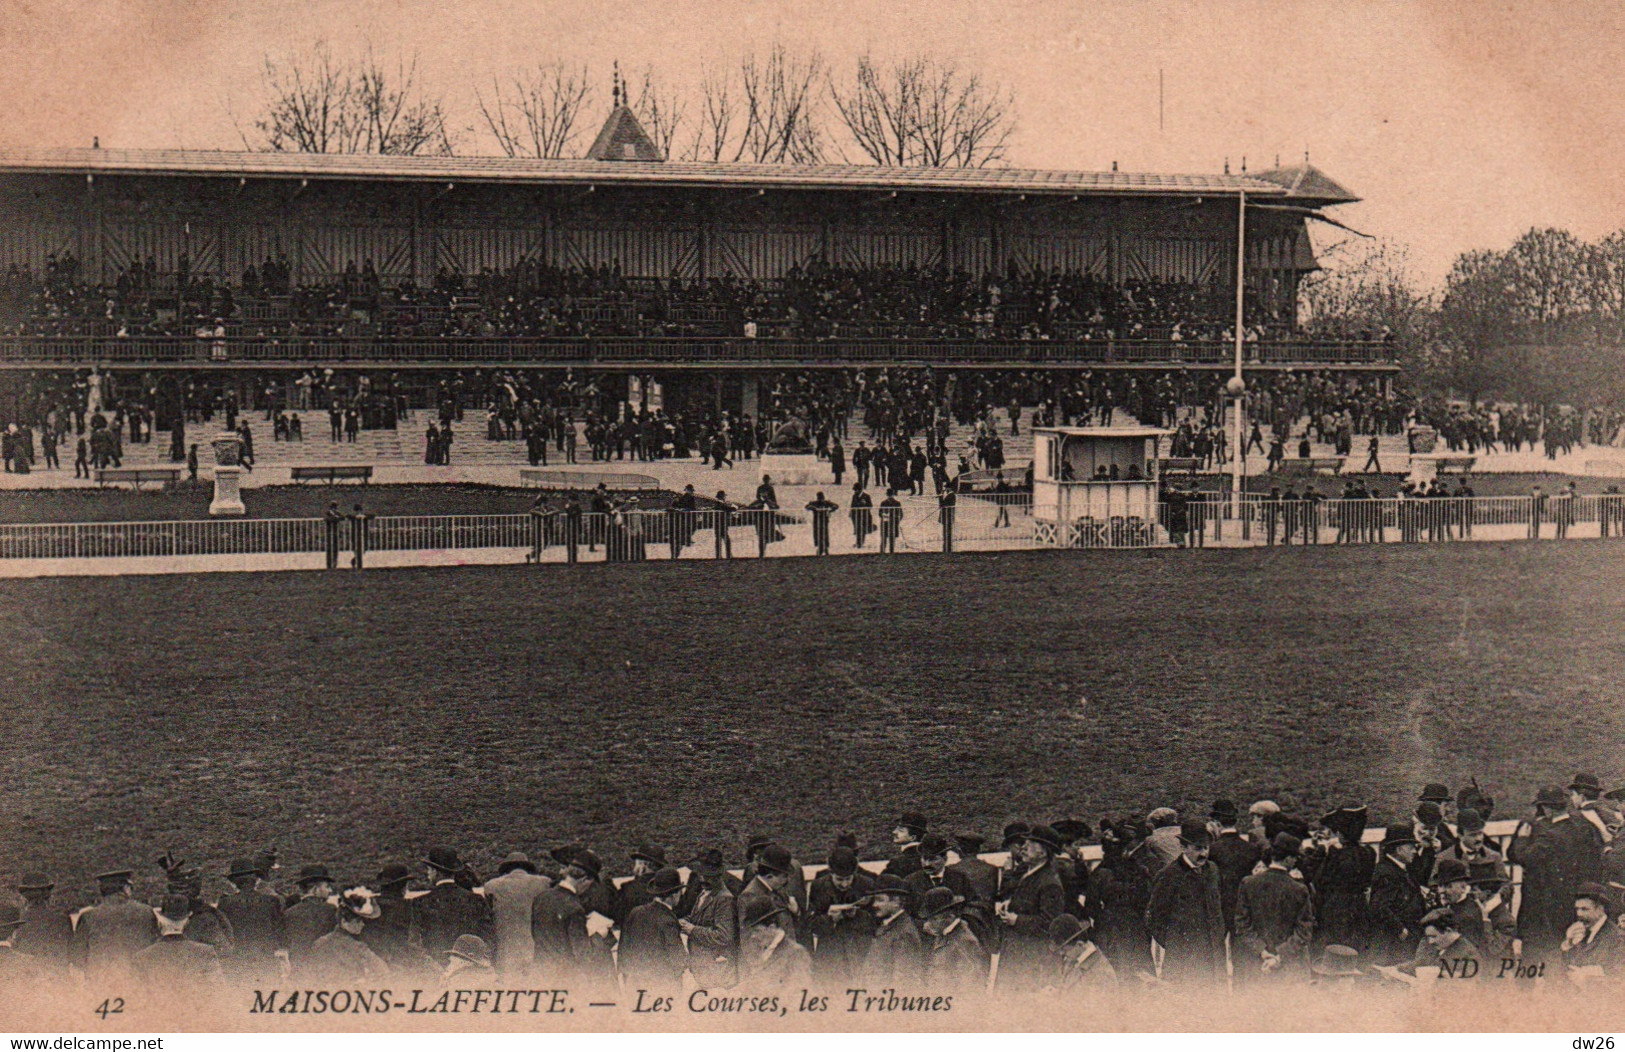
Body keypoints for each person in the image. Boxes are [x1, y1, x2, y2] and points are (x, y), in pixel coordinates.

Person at [1144, 818, 1226, 984]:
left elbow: (1219, 908)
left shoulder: (1213, 871)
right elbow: (1154, 918)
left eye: (1206, 848)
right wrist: (1176, 945)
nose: (1203, 853)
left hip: (1214, 961)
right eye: (1197, 848)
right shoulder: (1169, 876)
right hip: (1183, 962)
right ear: (1183, 847)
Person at [1234, 833, 1315, 983]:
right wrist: (1279, 956)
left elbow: (1241, 925)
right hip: (1289, 969)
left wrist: (1262, 951)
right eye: (1296, 857)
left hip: (1256, 966)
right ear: (1289, 859)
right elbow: (1304, 932)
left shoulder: (1248, 883)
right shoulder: (1299, 889)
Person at [995, 825, 1068, 990]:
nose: (1024, 847)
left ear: (1043, 852)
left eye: (1031, 843)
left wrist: (1017, 920)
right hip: (1017, 955)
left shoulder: (1050, 882)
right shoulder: (1030, 873)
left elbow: (1050, 924)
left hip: (1032, 960)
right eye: (1025, 842)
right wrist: (1010, 905)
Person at [72, 868, 157, 984]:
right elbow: (155, 950)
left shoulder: (88, 916)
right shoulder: (146, 912)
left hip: (101, 986)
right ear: (125, 888)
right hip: (138, 984)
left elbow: (77, 959)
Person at [807, 846, 876, 985]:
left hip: (859, 953)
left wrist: (857, 915)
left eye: (848, 879)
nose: (844, 884)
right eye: (839, 879)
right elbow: (810, 924)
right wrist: (830, 919)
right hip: (830, 956)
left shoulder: (867, 884)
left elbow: (876, 922)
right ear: (830, 872)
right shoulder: (818, 886)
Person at [413, 847, 492, 966]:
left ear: (435, 871)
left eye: (429, 869)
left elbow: (414, 943)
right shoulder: (476, 900)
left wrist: (434, 968)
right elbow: (487, 936)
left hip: (435, 972)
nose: (428, 874)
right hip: (468, 969)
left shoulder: (420, 902)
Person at [482, 851, 552, 981]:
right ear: (527, 868)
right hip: (536, 951)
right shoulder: (544, 883)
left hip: (505, 953)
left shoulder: (491, 886)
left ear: (506, 869)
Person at [215, 857, 286, 986]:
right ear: (255, 880)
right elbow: (281, 933)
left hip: (238, 964)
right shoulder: (271, 901)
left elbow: (224, 933)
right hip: (267, 962)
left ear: (235, 882)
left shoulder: (225, 903)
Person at [131, 895, 224, 993]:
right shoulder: (205, 953)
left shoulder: (142, 958)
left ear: (160, 922)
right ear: (187, 921)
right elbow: (218, 993)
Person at [618, 867, 688, 993]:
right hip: (662, 988)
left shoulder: (636, 912)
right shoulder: (668, 920)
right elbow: (679, 961)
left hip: (635, 984)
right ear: (673, 895)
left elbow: (623, 948)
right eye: (679, 892)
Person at [678, 849, 739, 990]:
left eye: (708, 876)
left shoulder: (724, 899)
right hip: (703, 967)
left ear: (718, 877)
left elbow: (723, 936)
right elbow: (698, 918)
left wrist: (692, 930)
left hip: (717, 970)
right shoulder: (704, 893)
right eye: (702, 875)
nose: (702, 879)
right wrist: (683, 921)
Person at [1368, 823, 1427, 966]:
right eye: (1411, 847)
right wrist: (1401, 930)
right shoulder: (1387, 872)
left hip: (1401, 942)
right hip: (1392, 945)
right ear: (1399, 849)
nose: (1415, 851)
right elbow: (1379, 906)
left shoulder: (1398, 869)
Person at [308, 888, 391, 983]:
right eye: (358, 921)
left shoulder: (319, 943)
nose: (363, 924)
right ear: (344, 922)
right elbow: (383, 971)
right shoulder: (358, 948)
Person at [918, 886, 988, 992]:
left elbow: (969, 987)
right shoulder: (944, 933)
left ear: (949, 917)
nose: (928, 924)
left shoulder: (964, 942)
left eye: (933, 919)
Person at [861, 875, 924, 984]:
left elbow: (904, 981)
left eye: (880, 900)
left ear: (896, 902)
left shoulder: (904, 933)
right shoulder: (888, 925)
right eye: (874, 900)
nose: (874, 905)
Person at [12, 873, 73, 979]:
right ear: (48, 894)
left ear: (24, 896)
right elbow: (73, 952)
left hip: (28, 979)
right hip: (58, 978)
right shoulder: (62, 918)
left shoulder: (17, 920)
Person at [1562, 883, 1622, 981]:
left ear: (1600, 909)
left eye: (1584, 909)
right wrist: (1568, 943)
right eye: (1577, 909)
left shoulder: (1618, 938)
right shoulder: (1582, 933)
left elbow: (1618, 980)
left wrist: (1586, 978)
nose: (1578, 914)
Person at [1047, 914, 1117, 991]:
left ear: (1079, 944)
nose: (1061, 953)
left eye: (1064, 949)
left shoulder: (1102, 974)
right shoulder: (1073, 959)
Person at [805, 491, 838, 556]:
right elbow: (807, 506)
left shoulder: (827, 503)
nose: (821, 500)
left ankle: (825, 548)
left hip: (824, 521)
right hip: (817, 521)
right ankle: (820, 548)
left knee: (824, 534)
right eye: (820, 498)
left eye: (822, 498)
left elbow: (836, 506)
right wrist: (813, 508)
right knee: (818, 534)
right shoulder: (814, 503)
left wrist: (830, 510)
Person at [878, 489, 903, 554]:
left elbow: (900, 514)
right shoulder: (883, 503)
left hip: (893, 523)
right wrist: (884, 516)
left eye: (891, 495)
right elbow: (880, 513)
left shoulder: (897, 503)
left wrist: (896, 520)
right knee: (884, 538)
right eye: (889, 495)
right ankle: (882, 551)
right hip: (885, 523)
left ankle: (891, 551)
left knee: (892, 538)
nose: (890, 497)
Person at [348, 503, 373, 569]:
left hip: (363, 534)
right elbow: (348, 516)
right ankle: (356, 561)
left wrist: (364, 516)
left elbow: (372, 516)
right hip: (355, 534)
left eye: (359, 510)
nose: (358, 512)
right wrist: (356, 517)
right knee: (356, 548)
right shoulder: (353, 517)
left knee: (364, 548)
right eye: (357, 511)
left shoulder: (364, 516)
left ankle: (355, 560)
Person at [849, 483, 874, 549]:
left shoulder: (867, 496)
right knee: (857, 529)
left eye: (856, 490)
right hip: (856, 515)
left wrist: (864, 504)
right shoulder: (854, 496)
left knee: (862, 530)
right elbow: (852, 505)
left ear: (859, 490)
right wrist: (851, 513)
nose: (855, 491)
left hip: (864, 516)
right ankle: (858, 542)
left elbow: (870, 506)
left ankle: (861, 543)